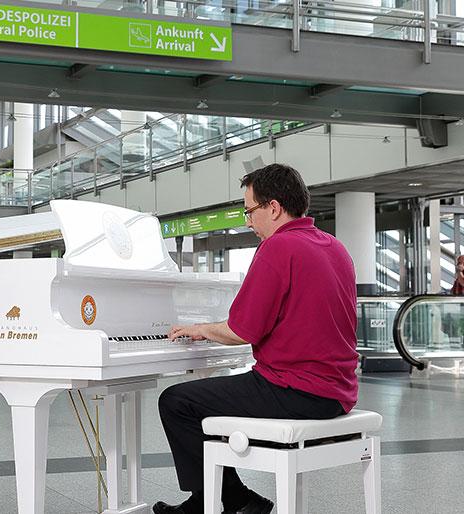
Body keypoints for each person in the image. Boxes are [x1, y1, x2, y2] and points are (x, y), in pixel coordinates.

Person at [154, 164, 359, 514]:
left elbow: (242, 331)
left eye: (250, 211)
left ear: (274, 208)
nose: (248, 221)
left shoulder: (278, 247)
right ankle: (217, 498)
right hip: (338, 391)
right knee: (209, 400)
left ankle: (232, 499)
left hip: (295, 390)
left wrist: (202, 328)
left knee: (176, 401)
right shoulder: (334, 246)